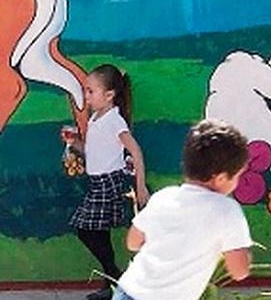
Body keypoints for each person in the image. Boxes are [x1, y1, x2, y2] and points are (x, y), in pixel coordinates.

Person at [111, 118, 253, 300]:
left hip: (128, 292)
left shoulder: (163, 197)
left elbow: (133, 242)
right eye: (238, 176)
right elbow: (239, 271)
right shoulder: (227, 210)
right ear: (221, 178)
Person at [64, 64, 149, 300]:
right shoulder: (95, 118)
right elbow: (93, 152)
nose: (86, 96)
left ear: (109, 95)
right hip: (97, 183)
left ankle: (116, 279)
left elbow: (135, 150)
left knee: (85, 228)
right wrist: (74, 143)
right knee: (96, 232)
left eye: (91, 91)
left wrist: (140, 185)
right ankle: (111, 283)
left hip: (109, 183)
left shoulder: (114, 120)